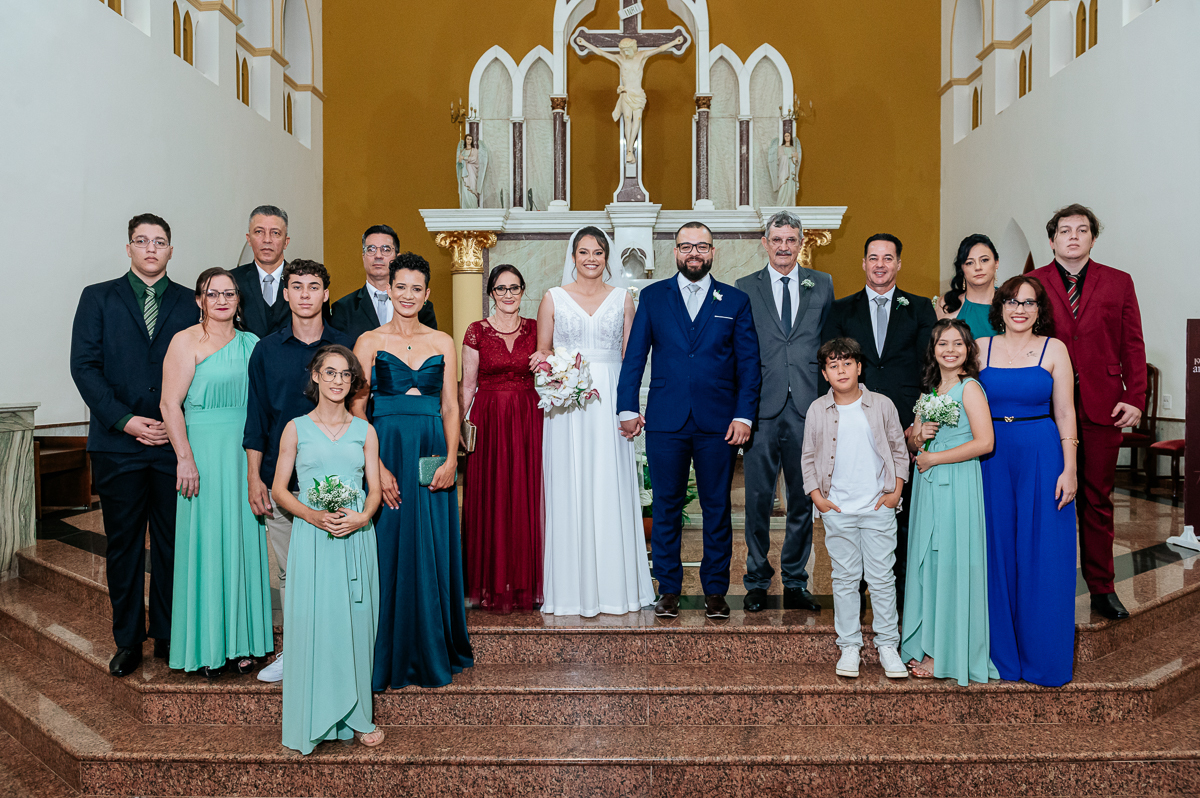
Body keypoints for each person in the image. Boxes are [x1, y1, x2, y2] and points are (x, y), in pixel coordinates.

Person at [69, 213, 196, 677]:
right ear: (128, 248)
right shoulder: (97, 298)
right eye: (141, 241)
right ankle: (127, 640)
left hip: (170, 446)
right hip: (117, 446)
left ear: (169, 249)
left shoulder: (189, 303)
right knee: (123, 545)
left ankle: (165, 633)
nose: (150, 249)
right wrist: (126, 421)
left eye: (159, 241)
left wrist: (170, 424)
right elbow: (84, 366)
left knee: (170, 543)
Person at [617, 222, 761, 620]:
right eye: (685, 247)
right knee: (666, 507)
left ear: (713, 251)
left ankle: (716, 590)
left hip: (719, 422)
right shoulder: (653, 296)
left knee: (717, 508)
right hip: (666, 420)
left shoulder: (734, 300)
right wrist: (627, 406)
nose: (693, 253)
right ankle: (668, 589)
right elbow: (635, 356)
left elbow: (749, 365)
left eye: (701, 246)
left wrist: (744, 414)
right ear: (675, 251)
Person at [352, 252, 473, 689]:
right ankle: (386, 651)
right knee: (387, 549)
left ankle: (430, 645)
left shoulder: (442, 341)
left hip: (430, 454)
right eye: (399, 286)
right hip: (384, 449)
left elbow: (450, 405)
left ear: (427, 293)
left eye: (415, 288)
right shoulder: (368, 342)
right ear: (388, 288)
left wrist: (450, 459)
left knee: (432, 548)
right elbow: (356, 409)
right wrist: (376, 469)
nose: (406, 295)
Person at [1028, 204, 1146, 621]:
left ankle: (1102, 588)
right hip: (1042, 409)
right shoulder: (1032, 283)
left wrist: (1136, 397)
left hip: (1102, 405)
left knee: (1097, 499)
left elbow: (1132, 343)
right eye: (1064, 230)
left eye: (1082, 230)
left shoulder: (1118, 282)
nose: (1073, 236)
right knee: (1046, 498)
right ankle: (1046, 587)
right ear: (1052, 240)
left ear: (1093, 238)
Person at [243, 259, 354, 683]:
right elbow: (257, 421)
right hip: (282, 482)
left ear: (326, 294)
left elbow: (363, 413)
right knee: (292, 573)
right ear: (285, 294)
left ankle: (339, 652)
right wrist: (255, 477)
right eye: (297, 286)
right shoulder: (266, 350)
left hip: (338, 480)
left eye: (314, 286)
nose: (305, 294)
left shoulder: (346, 347)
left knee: (336, 570)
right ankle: (296, 653)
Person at [536, 227, 656, 617]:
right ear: (573, 256)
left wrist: (631, 408)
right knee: (568, 484)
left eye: (599, 252)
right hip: (567, 405)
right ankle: (570, 590)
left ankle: (616, 587)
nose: (591, 258)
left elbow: (631, 357)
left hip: (610, 399)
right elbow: (542, 352)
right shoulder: (553, 298)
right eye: (584, 251)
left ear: (608, 257)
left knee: (610, 484)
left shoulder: (623, 298)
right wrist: (551, 376)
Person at [160, 268, 273, 677]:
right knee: (207, 545)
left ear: (238, 300)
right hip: (203, 453)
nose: (221, 299)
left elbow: (262, 405)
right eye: (213, 293)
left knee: (243, 542)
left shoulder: (252, 343)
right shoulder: (185, 341)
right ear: (199, 300)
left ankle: (245, 641)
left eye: (229, 293)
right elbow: (170, 405)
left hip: (244, 452)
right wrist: (184, 458)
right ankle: (208, 644)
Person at [274, 345, 383, 754]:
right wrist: (311, 515)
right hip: (313, 536)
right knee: (316, 620)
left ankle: (357, 716)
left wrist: (363, 517)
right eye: (330, 372)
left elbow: (373, 491)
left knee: (356, 622)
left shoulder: (365, 432)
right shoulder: (296, 428)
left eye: (345, 375)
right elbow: (279, 490)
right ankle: (314, 715)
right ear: (316, 376)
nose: (338, 380)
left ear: (352, 382)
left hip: (355, 537)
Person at [823, 233, 937, 613]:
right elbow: (831, 364)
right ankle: (852, 603)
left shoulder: (920, 308)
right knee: (854, 509)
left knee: (898, 511)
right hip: (854, 425)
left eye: (888, 258)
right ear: (864, 263)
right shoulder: (840, 309)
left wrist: (919, 419)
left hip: (906, 425)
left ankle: (902, 601)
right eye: (873, 257)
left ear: (899, 264)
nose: (880, 264)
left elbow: (930, 368)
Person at [978, 275, 1079, 687]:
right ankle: (1000, 658)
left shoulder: (1055, 349)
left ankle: (1042, 659)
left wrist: (1070, 468)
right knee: (995, 552)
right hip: (990, 455)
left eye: (1029, 303)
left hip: (1042, 452)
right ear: (1000, 307)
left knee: (1043, 553)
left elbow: (1066, 413)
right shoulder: (979, 347)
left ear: (1041, 310)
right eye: (1012, 301)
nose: (1020, 309)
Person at [735, 211, 831, 613]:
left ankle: (795, 580)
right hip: (762, 406)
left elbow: (828, 343)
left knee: (802, 498)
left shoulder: (821, 283)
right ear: (765, 242)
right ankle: (757, 579)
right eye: (777, 239)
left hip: (808, 405)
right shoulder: (744, 288)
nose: (784, 246)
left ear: (801, 241)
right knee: (756, 498)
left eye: (791, 239)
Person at [900, 319, 998, 685]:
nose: (951, 350)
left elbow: (985, 442)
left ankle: (944, 651)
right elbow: (913, 440)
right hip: (928, 485)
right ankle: (925, 640)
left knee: (950, 561)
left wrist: (933, 457)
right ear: (934, 349)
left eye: (958, 343)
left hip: (956, 482)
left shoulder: (970, 388)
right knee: (928, 562)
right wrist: (917, 438)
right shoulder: (931, 390)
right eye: (944, 343)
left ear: (967, 350)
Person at [460, 265, 543, 614]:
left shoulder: (539, 330)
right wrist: (460, 429)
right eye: (500, 289)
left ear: (523, 291)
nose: (508, 295)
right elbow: (467, 384)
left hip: (528, 418)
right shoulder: (476, 332)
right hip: (489, 418)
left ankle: (527, 583)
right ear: (491, 293)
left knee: (526, 495)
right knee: (490, 496)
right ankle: (488, 583)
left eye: (514, 288)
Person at [330, 223, 436, 340]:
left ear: (397, 257)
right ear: (363, 256)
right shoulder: (343, 308)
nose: (378, 255)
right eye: (371, 249)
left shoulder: (420, 307)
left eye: (386, 249)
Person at [231, 205, 292, 339]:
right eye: (259, 232)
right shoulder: (232, 280)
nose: (267, 240)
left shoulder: (303, 281)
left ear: (286, 242)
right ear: (249, 239)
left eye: (275, 233)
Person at [936, 234, 1000, 340]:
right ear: (962, 268)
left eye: (984, 260)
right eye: (969, 263)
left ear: (996, 263)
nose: (978, 267)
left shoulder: (1010, 303)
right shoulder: (947, 303)